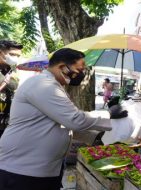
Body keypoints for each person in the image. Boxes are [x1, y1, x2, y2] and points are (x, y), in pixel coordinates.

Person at [0, 48, 111, 190]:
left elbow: (59, 124)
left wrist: (96, 135)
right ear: (62, 67)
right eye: (79, 70)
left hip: (43, 169)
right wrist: (109, 115)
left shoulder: (52, 85)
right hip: (22, 170)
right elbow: (74, 119)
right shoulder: (43, 84)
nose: (81, 74)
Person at [0, 40, 23, 138]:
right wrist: (5, 82)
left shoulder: (9, 70)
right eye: (12, 54)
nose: (15, 58)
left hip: (4, 119)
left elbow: (14, 87)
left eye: (18, 56)